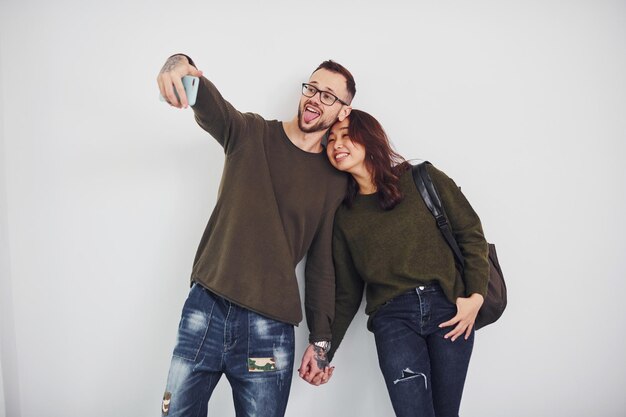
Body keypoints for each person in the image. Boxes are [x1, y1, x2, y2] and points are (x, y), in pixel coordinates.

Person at [156, 54, 355, 417]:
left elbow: (322, 264)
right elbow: (210, 106)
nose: (315, 98)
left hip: (269, 329)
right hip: (206, 310)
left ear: (344, 111)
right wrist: (181, 65)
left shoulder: (334, 181)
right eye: (312, 88)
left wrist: (321, 340)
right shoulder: (250, 133)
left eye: (329, 96)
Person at [324, 109, 489, 417]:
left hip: (448, 311)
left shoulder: (421, 178)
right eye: (330, 140)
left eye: (346, 135)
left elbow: (471, 234)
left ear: (369, 137)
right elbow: (347, 293)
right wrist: (326, 350)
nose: (336, 145)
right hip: (393, 320)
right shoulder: (345, 217)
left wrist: (476, 297)